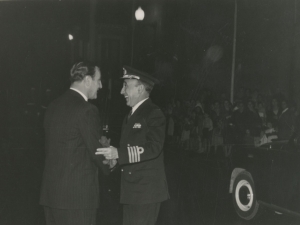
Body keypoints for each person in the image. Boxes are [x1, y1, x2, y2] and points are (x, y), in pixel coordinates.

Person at [39, 61, 112, 225]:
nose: (100, 86)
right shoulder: (87, 110)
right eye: (98, 80)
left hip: (51, 196)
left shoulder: (52, 106)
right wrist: (112, 162)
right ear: (87, 80)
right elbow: (98, 153)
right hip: (77, 200)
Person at [96, 66, 169, 225]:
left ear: (140, 88)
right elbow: (129, 149)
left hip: (145, 192)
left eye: (126, 86)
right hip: (132, 191)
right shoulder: (130, 115)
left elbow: (153, 148)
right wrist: (114, 161)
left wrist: (118, 154)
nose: (122, 92)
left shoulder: (153, 113)